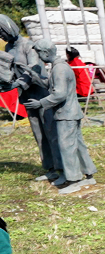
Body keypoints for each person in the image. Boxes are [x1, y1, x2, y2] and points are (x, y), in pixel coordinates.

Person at [24, 39, 97, 195]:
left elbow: (60, 94)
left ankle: (74, 180)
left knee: (67, 147)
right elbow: (55, 88)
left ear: (45, 53)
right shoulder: (59, 67)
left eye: (39, 54)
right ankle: (89, 174)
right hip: (69, 112)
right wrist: (38, 79)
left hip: (66, 114)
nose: (38, 57)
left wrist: (40, 103)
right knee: (77, 145)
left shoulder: (60, 69)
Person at [0, 14, 62, 183]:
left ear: (8, 27)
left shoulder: (28, 45)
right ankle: (50, 168)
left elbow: (31, 70)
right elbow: (10, 69)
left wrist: (17, 83)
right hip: (26, 95)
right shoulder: (8, 48)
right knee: (38, 134)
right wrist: (7, 81)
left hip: (41, 93)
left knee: (51, 132)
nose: (1, 36)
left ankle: (63, 168)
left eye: (1, 32)